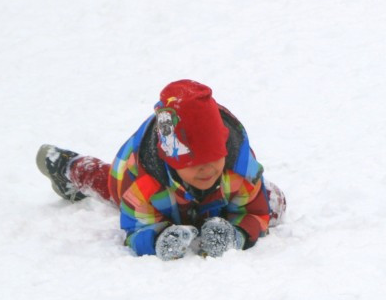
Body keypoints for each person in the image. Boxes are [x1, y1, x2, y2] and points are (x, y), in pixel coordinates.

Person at [35, 79, 286, 260]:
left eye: (214, 157)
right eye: (193, 163)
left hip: (217, 199)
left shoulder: (239, 171)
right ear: (172, 161)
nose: (207, 169)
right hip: (143, 182)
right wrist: (157, 240)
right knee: (110, 186)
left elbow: (256, 212)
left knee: (273, 201)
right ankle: (68, 167)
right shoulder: (143, 185)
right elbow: (134, 231)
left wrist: (238, 235)